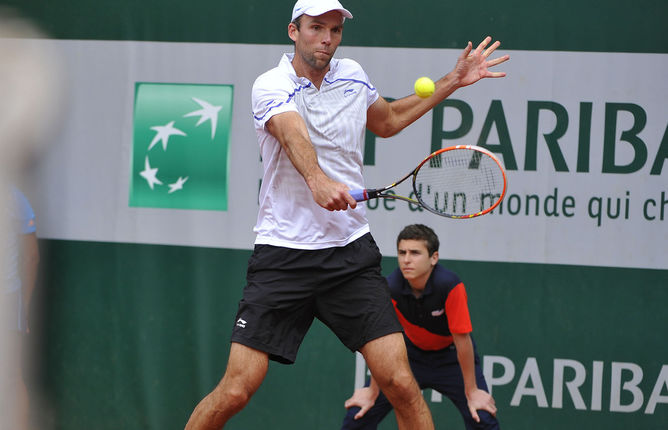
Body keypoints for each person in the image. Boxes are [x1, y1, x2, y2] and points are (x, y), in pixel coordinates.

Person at [184, 1, 508, 428]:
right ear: (293, 31)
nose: (327, 39)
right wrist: (317, 181)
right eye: (316, 28)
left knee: (400, 382)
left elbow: (388, 120)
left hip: (349, 256)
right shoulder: (271, 84)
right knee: (237, 388)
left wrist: (452, 80)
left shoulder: (353, 75)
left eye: (335, 30)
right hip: (283, 255)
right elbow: (290, 129)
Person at [341, 224, 499, 429]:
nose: (406, 259)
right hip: (410, 358)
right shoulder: (390, 287)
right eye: (402, 252)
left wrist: (472, 392)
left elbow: (462, 341)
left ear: (433, 258)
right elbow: (381, 341)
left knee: (482, 417)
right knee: (358, 416)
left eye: (415, 253)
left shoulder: (450, 286)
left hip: (450, 360)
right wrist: (372, 391)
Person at [4, 186, 40, 430]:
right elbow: (31, 256)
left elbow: (31, 256)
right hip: (7, 298)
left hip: (4, 298)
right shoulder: (15, 196)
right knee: (12, 378)